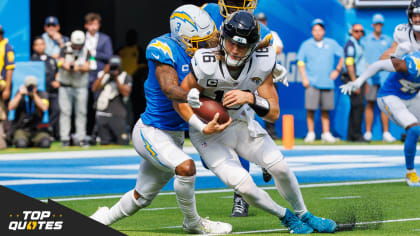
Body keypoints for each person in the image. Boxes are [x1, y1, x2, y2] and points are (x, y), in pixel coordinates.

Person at [174, 11, 337, 234]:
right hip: (207, 135)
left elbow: (274, 114)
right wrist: (200, 123)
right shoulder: (205, 61)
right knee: (244, 186)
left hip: (240, 121)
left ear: (252, 47)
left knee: (279, 167)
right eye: (231, 43)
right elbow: (179, 99)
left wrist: (250, 97)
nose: (234, 50)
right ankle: (286, 217)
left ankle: (304, 213)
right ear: (223, 38)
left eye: (242, 46)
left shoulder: (261, 62)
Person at [90, 5, 232, 234]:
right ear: (183, 38)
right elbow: (169, 88)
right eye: (200, 42)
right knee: (186, 167)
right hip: (151, 130)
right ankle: (193, 224)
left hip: (174, 135)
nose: (207, 46)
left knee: (141, 197)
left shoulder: (205, 49)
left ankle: (101, 218)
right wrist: (192, 96)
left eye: (208, 40)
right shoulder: (162, 48)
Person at [202, 0, 288, 217]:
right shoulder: (207, 12)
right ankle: (261, 161)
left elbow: (258, 57)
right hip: (210, 84)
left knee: (242, 133)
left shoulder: (262, 32)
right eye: (232, 1)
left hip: (237, 84)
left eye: (240, 2)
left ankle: (241, 198)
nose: (235, 5)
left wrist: (273, 66)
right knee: (208, 159)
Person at [340, 52, 420, 187]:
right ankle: (410, 172)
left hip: (411, 97)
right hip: (390, 96)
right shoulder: (410, 64)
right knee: (413, 129)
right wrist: (359, 81)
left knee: (415, 131)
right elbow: (379, 65)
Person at [298, 19, 344, 143]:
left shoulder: (332, 43)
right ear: (312, 32)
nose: (318, 32)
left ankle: (326, 133)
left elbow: (342, 56)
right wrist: (304, 78)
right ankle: (311, 133)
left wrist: (337, 70)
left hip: (327, 83)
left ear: (323, 31)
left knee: (325, 110)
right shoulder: (306, 45)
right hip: (311, 82)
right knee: (310, 109)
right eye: (315, 30)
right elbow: (301, 62)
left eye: (320, 30)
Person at [360, 14, 395, 142]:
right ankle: (368, 132)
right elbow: (361, 57)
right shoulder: (365, 40)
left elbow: (393, 57)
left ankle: (386, 133)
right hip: (370, 78)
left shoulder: (388, 40)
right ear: (372, 25)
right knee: (369, 104)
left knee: (385, 105)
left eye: (380, 24)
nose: (378, 26)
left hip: (385, 77)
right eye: (376, 24)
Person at [84, 12, 113, 144]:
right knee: (84, 107)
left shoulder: (105, 39)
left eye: (96, 24)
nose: (94, 27)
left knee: (98, 106)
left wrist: (95, 53)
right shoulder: (81, 38)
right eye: (91, 24)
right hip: (83, 75)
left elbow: (109, 56)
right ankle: (84, 134)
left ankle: (97, 134)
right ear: (86, 25)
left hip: (98, 76)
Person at [57, 30, 90, 147]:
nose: (77, 47)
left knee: (81, 112)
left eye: (79, 45)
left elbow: (89, 66)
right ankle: (65, 138)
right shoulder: (64, 48)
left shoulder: (87, 50)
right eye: (75, 45)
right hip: (65, 85)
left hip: (80, 86)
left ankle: (81, 138)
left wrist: (78, 67)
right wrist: (67, 66)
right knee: (65, 112)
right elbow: (59, 62)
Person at [91, 56, 131, 145]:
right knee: (104, 142)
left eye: (116, 66)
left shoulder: (125, 76)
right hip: (103, 113)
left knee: (123, 142)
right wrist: (104, 74)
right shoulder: (102, 75)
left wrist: (116, 78)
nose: (114, 68)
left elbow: (126, 93)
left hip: (118, 114)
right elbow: (94, 88)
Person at [7, 76, 51, 148]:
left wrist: (34, 95)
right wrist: (20, 95)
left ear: (36, 86)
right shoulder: (20, 94)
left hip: (37, 129)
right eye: (29, 86)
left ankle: (34, 141)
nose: (31, 88)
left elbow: (44, 107)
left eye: (33, 86)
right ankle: (26, 141)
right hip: (21, 129)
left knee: (45, 143)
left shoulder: (41, 94)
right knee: (21, 144)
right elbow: (10, 107)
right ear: (25, 86)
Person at [342, 23, 367, 142]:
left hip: (357, 78)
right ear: (351, 32)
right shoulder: (351, 45)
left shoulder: (357, 44)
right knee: (358, 106)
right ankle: (356, 135)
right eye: (356, 31)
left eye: (361, 31)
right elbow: (349, 64)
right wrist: (354, 82)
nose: (359, 33)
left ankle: (351, 135)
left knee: (356, 107)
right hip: (353, 78)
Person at [31, 36, 60, 140]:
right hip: (41, 91)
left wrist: (57, 81)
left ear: (45, 45)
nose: (40, 47)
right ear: (34, 47)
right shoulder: (32, 61)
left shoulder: (51, 59)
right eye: (37, 44)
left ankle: (50, 130)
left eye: (42, 44)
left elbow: (57, 73)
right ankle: (41, 131)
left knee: (57, 109)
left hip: (53, 91)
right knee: (42, 111)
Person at [0, 25, 15, 149]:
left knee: (3, 112)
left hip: (2, 83)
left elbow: (9, 69)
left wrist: (7, 88)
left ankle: (4, 138)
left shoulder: (7, 48)